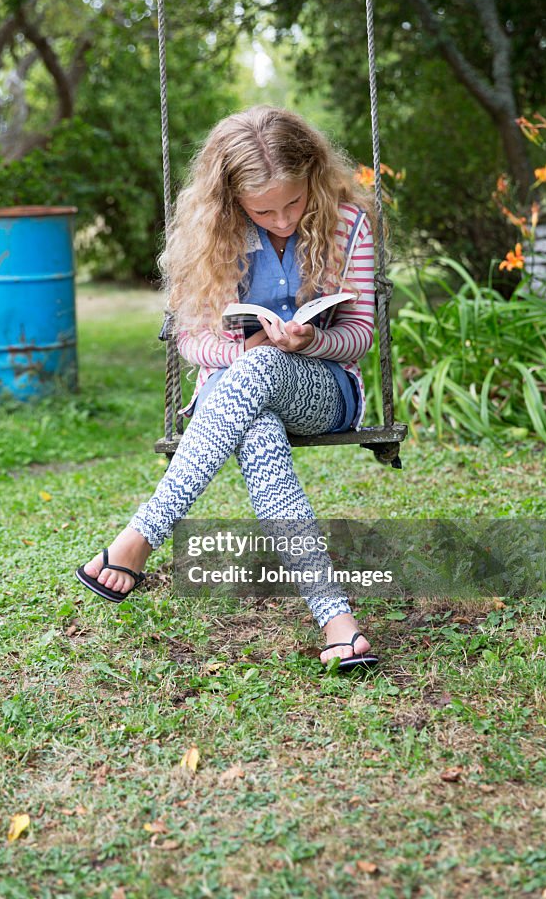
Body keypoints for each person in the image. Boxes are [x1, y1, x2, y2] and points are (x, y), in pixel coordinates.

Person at [76, 105, 379, 672]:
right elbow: (191, 340)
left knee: (260, 374)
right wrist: (244, 351)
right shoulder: (213, 230)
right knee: (258, 426)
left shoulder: (348, 223)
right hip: (235, 393)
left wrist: (307, 342)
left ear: (312, 177)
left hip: (321, 389)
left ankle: (141, 534)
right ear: (233, 198)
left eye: (293, 202)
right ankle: (336, 618)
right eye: (263, 209)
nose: (284, 220)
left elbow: (359, 337)